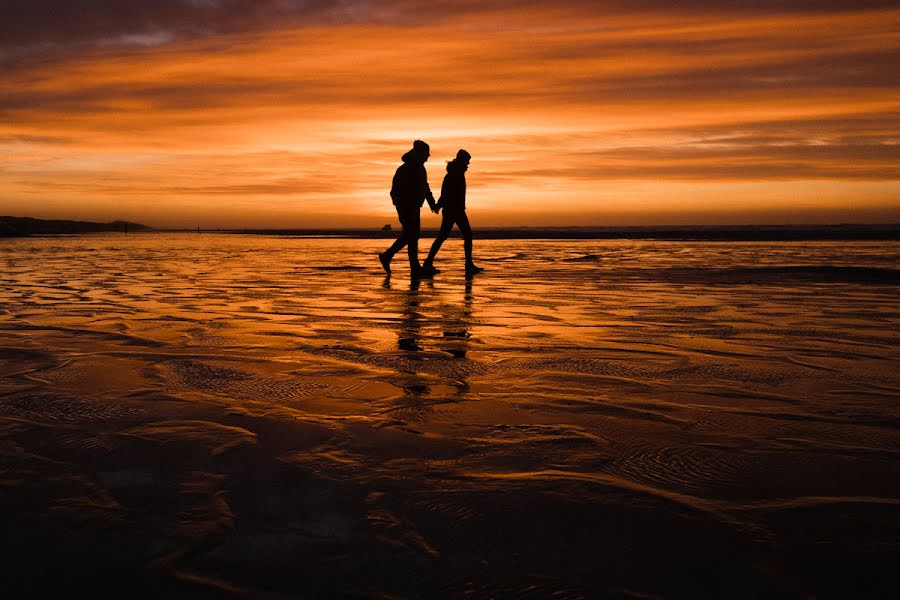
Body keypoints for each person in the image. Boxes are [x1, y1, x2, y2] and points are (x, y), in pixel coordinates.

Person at [379, 140, 438, 277]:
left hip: (414, 206)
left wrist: (431, 203)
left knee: (411, 235)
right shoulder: (407, 169)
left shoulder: (419, 168)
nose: (428, 156)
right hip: (407, 207)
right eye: (426, 153)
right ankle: (413, 267)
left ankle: (389, 257)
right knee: (412, 235)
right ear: (419, 153)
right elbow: (396, 191)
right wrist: (404, 207)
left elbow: (425, 187)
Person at [422, 149, 483, 275]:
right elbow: (445, 193)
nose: (468, 165)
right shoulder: (454, 174)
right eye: (467, 162)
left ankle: (429, 262)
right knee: (465, 235)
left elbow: (445, 193)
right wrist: (438, 205)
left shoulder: (457, 173)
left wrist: (439, 205)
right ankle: (468, 265)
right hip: (453, 210)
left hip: (456, 209)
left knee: (445, 236)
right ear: (461, 161)